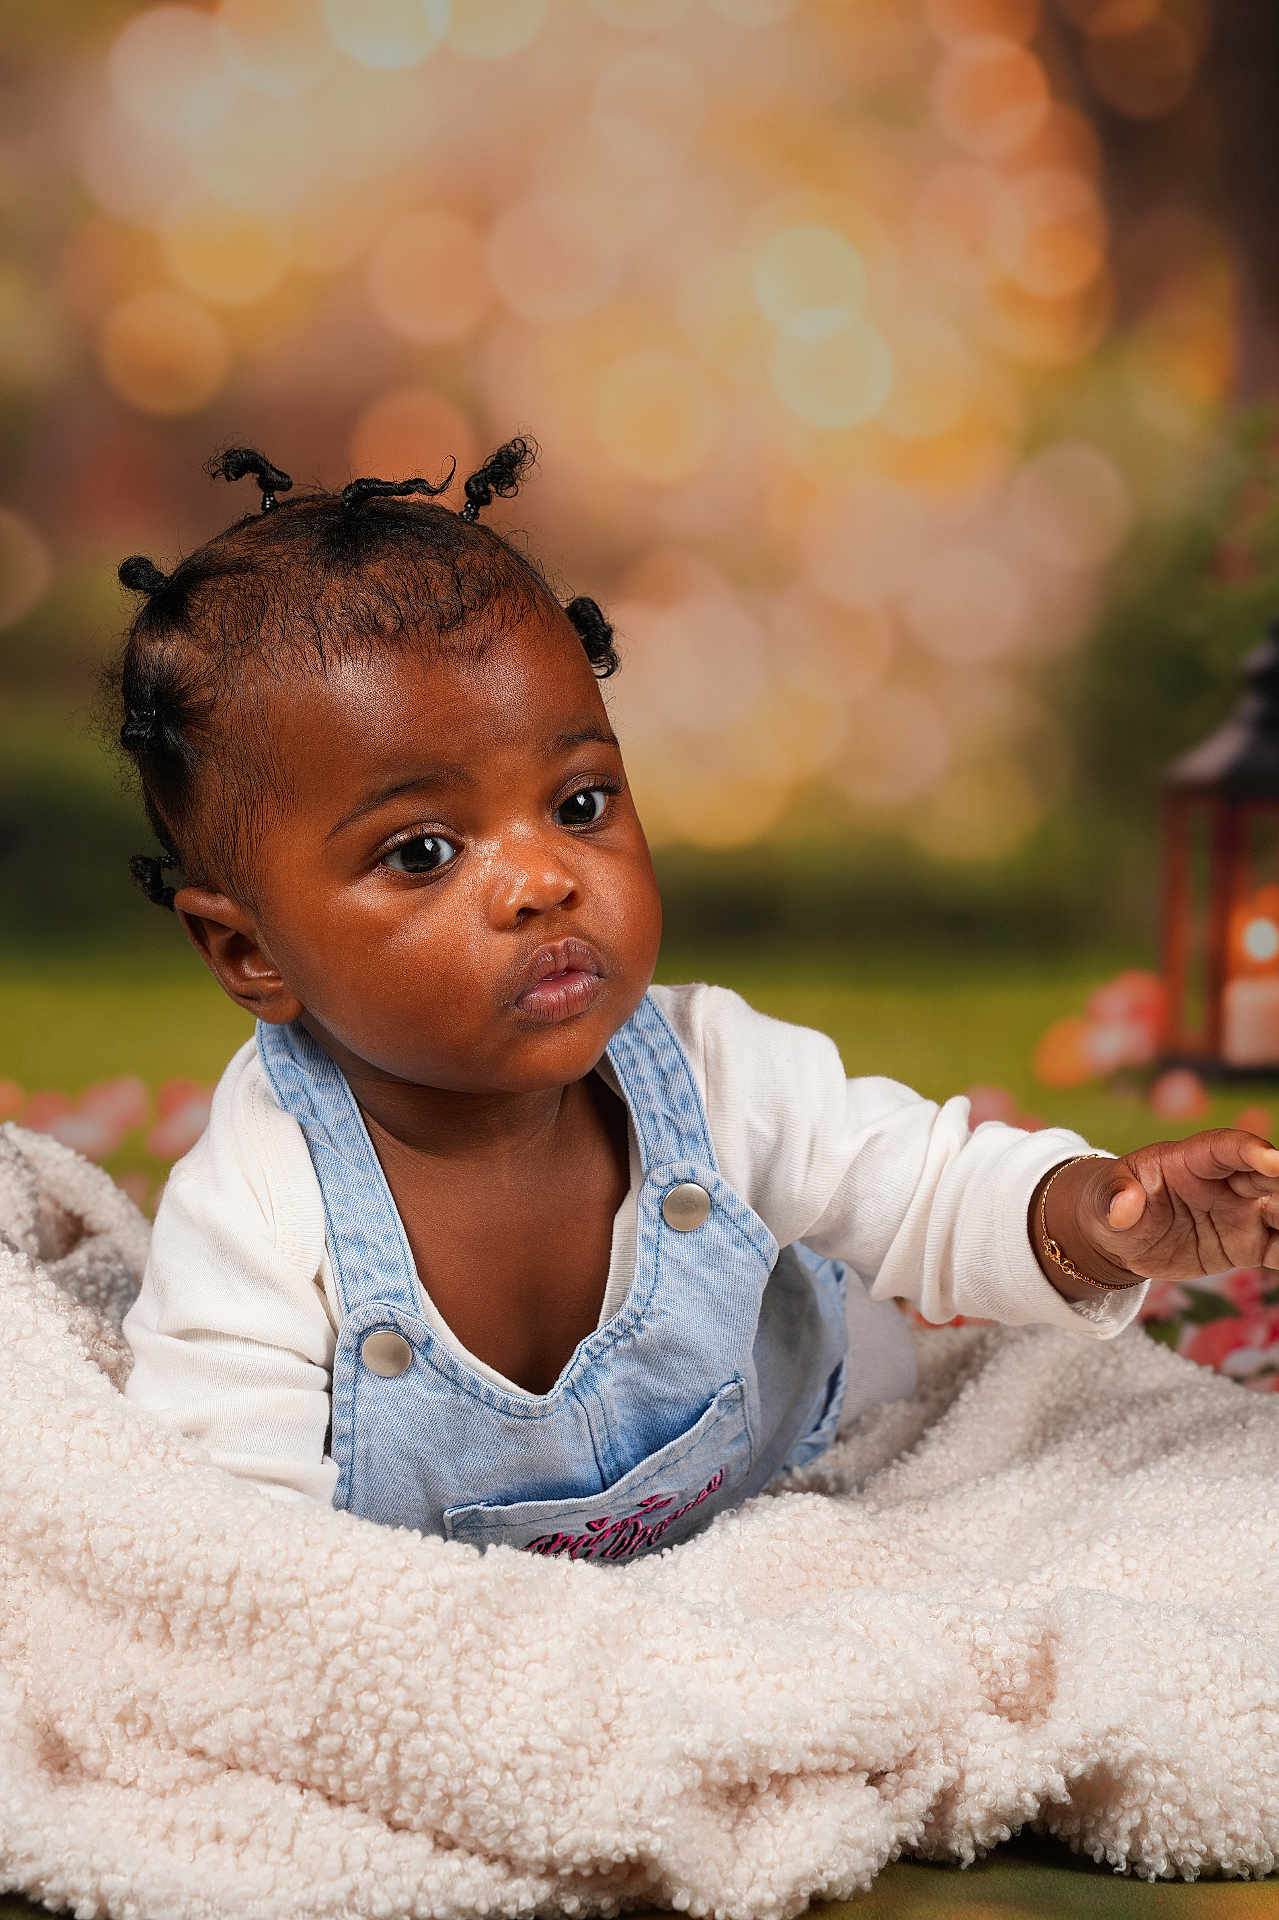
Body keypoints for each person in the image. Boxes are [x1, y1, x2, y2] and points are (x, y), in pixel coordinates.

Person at [113, 438, 1279, 1565]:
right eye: (422, 851)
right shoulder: (260, 1204)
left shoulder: (712, 1067)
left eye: (577, 804)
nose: (543, 879)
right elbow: (236, 1551)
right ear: (246, 952)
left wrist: (1095, 1219)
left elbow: (929, 1190)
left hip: (797, 1452)